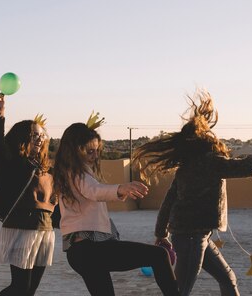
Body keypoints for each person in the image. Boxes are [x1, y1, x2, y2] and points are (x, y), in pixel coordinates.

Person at [133, 91, 252, 296]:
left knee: (228, 278)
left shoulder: (187, 167)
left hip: (195, 236)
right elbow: (249, 168)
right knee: (180, 291)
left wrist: (160, 234)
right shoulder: (210, 162)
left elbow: (169, 201)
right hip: (192, 237)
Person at [53, 118, 180, 296]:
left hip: (82, 253)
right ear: (75, 150)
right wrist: (121, 188)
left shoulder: (68, 173)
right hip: (90, 250)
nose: (95, 156)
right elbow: (94, 191)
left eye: (97, 151)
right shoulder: (77, 173)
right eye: (90, 151)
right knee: (159, 256)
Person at [0, 93, 57, 296]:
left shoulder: (45, 168)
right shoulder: (15, 162)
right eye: (34, 135)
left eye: (41, 135)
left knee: (30, 290)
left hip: (44, 231)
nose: (39, 139)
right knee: (20, 288)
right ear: (22, 138)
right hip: (22, 229)